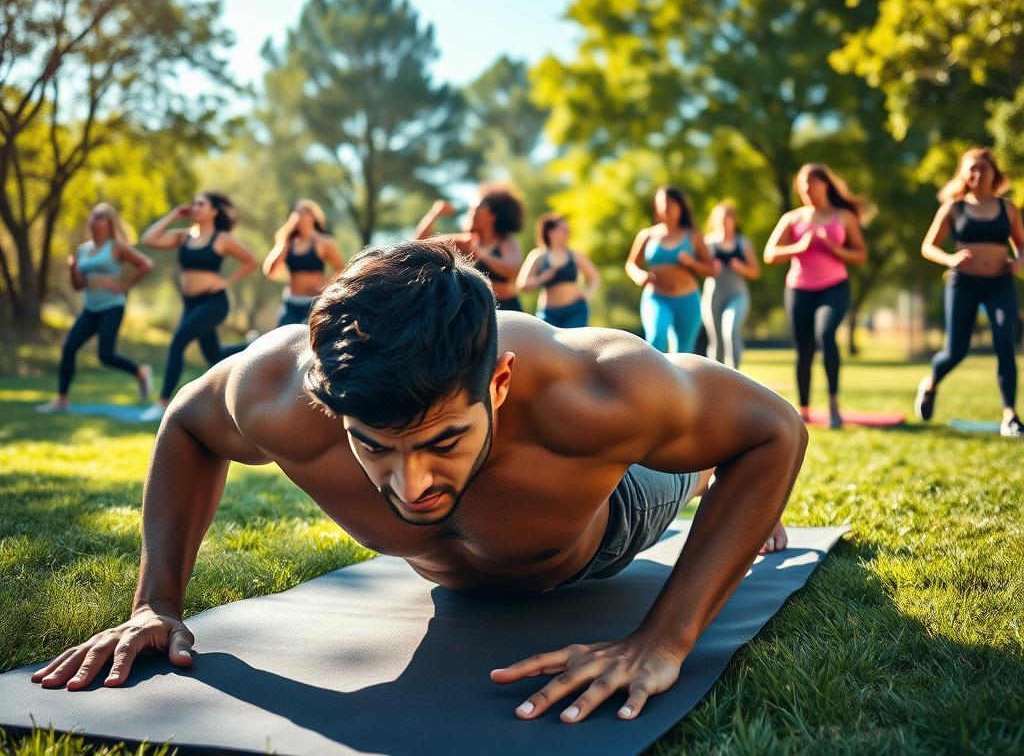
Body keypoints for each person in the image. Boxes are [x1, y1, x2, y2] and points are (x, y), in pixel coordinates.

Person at [32, 240, 806, 727]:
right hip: (466, 572)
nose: (413, 484)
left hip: (612, 521)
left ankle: (709, 484)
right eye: (376, 446)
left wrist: (663, 639)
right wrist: (155, 603)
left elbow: (774, 428)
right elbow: (188, 423)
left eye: (443, 441)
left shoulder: (596, 388)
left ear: (499, 383)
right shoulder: (284, 393)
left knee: (697, 465)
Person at [915, 148, 1024, 437]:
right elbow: (928, 246)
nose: (977, 175)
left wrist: (1020, 261)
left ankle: (1010, 415)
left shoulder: (1007, 209)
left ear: (994, 173)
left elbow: (1021, 244)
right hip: (964, 284)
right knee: (956, 351)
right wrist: (950, 259)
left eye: (983, 169)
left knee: (1004, 340)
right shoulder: (954, 207)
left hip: (1000, 283)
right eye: (971, 170)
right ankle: (931, 384)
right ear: (964, 175)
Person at [137, 192, 258, 421]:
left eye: (201, 204)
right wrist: (173, 215)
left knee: (178, 340)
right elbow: (149, 239)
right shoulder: (184, 236)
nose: (195, 207)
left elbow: (251, 261)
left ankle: (162, 402)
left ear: (213, 211)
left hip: (214, 303)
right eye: (193, 204)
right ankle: (251, 344)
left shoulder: (222, 238)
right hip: (191, 304)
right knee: (213, 355)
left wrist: (226, 281)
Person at [763, 164, 868, 428]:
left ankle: (833, 406)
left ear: (826, 184)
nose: (808, 188)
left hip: (834, 287)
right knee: (804, 350)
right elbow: (770, 254)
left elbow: (860, 254)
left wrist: (835, 249)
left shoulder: (843, 216)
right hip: (799, 289)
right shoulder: (792, 218)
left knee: (826, 334)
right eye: (803, 184)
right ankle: (805, 409)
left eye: (812, 182)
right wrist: (800, 246)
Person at [36, 203, 154, 413]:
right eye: (92, 217)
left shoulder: (116, 246)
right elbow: (78, 285)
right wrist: (73, 269)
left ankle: (140, 372)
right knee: (69, 348)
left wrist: (123, 286)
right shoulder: (83, 250)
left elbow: (146, 264)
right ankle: (62, 400)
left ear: (109, 223)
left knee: (105, 355)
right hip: (90, 308)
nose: (94, 221)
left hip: (112, 306)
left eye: (100, 218)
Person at [625, 186, 715, 354]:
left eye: (671, 203)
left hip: (687, 300)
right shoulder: (647, 235)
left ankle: (677, 381)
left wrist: (692, 263)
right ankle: (654, 380)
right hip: (656, 297)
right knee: (656, 337)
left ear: (681, 207)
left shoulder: (693, 235)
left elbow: (711, 270)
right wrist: (639, 275)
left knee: (685, 351)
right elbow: (631, 264)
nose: (666, 207)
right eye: (662, 203)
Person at [416, 185, 524, 310]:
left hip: (508, 308)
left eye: (476, 209)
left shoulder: (505, 241)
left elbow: (513, 271)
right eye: (470, 209)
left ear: (492, 216)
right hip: (477, 309)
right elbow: (420, 243)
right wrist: (434, 214)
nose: (471, 213)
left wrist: (482, 254)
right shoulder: (465, 241)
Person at [262, 200, 346, 326]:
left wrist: (326, 286)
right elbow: (269, 270)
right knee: (283, 342)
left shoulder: (324, 242)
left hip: (314, 304)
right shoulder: (287, 242)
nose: (298, 215)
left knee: (309, 342)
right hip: (290, 303)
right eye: (295, 212)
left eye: (302, 212)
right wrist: (283, 241)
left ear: (312, 216)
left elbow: (342, 270)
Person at [701, 202, 760, 369]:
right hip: (713, 296)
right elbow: (700, 270)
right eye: (721, 219)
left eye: (728, 218)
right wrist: (711, 269)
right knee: (717, 340)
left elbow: (755, 272)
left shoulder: (743, 243)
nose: (725, 223)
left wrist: (742, 268)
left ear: (735, 221)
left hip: (737, 295)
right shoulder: (708, 243)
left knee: (730, 329)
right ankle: (715, 379)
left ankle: (735, 375)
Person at [516, 213, 601, 328]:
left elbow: (594, 275)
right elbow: (521, 284)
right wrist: (541, 279)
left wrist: (589, 292)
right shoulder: (538, 256)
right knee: (546, 345)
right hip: (548, 313)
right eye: (563, 229)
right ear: (550, 232)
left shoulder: (575, 255)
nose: (567, 232)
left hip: (575, 311)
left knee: (573, 344)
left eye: (567, 229)